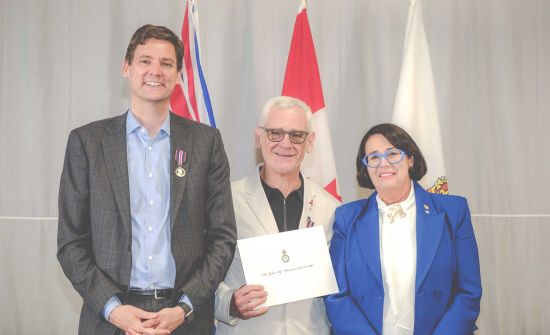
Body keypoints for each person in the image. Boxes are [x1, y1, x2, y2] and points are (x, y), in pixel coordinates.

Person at [57, 24, 236, 335]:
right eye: (145, 61)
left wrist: (184, 307)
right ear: (127, 67)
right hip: (111, 320)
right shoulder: (87, 143)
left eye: (166, 63)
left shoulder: (206, 143)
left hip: (184, 320)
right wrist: (114, 310)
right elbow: (71, 243)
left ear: (179, 75)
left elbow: (222, 238)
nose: (156, 70)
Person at [325, 123, 482, 335]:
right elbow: (336, 294)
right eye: (373, 157)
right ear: (365, 167)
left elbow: (468, 291)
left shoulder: (453, 211)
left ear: (410, 159)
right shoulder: (346, 218)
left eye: (392, 153)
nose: (383, 163)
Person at [214, 96, 339, 335]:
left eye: (296, 135)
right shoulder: (225, 200)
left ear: (309, 142)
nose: (285, 143)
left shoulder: (331, 208)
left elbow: (341, 287)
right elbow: (199, 274)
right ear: (259, 137)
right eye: (275, 133)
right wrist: (229, 303)